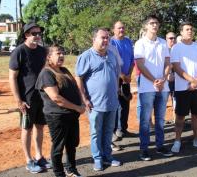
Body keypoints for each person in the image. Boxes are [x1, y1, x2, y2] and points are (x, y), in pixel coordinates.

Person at [75, 28, 121, 171]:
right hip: (95, 104)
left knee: (108, 132)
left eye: (107, 38)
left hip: (112, 102)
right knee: (96, 132)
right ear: (94, 39)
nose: (106, 40)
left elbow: (116, 75)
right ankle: (98, 159)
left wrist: (117, 92)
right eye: (103, 38)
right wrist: (84, 99)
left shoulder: (112, 55)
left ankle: (107, 156)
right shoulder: (86, 56)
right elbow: (79, 79)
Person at [35, 45, 85, 177]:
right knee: (58, 147)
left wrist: (81, 102)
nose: (61, 55)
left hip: (71, 115)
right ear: (49, 57)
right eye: (58, 53)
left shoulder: (64, 70)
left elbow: (75, 87)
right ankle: (59, 173)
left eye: (63, 53)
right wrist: (77, 107)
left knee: (71, 144)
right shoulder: (46, 73)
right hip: (57, 116)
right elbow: (56, 98)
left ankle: (71, 169)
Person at [9, 22, 51, 173]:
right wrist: (18, 100)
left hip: (42, 97)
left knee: (40, 127)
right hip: (26, 99)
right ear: (26, 34)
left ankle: (39, 156)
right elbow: (12, 77)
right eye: (34, 33)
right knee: (27, 128)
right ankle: (29, 160)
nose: (38, 36)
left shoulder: (43, 51)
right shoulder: (19, 52)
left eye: (39, 33)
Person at [134, 15, 173, 161]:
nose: (154, 25)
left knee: (160, 119)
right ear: (146, 26)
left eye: (156, 23)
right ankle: (144, 149)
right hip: (147, 87)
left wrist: (163, 79)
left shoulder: (163, 43)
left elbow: (168, 63)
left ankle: (160, 145)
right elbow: (140, 64)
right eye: (151, 23)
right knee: (145, 120)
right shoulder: (140, 43)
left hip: (163, 87)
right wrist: (154, 80)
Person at [170, 22, 197, 153]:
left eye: (191, 29)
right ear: (181, 32)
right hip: (182, 87)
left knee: (196, 115)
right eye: (187, 29)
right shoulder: (176, 48)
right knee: (180, 116)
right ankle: (177, 141)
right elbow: (176, 67)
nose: (190, 31)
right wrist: (192, 80)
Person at [110, 21, 134, 139]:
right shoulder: (111, 42)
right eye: (119, 28)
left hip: (127, 78)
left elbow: (132, 59)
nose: (121, 30)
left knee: (125, 103)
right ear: (113, 30)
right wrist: (122, 76)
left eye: (123, 28)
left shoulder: (128, 41)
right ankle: (115, 130)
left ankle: (123, 128)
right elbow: (112, 62)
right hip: (115, 78)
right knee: (117, 104)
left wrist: (129, 74)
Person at [166, 32, 177, 123]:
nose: (173, 40)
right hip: (165, 79)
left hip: (177, 79)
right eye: (170, 38)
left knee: (175, 99)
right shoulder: (163, 50)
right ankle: (160, 120)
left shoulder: (178, 50)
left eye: (174, 38)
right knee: (163, 100)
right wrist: (168, 73)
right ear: (166, 39)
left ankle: (175, 119)